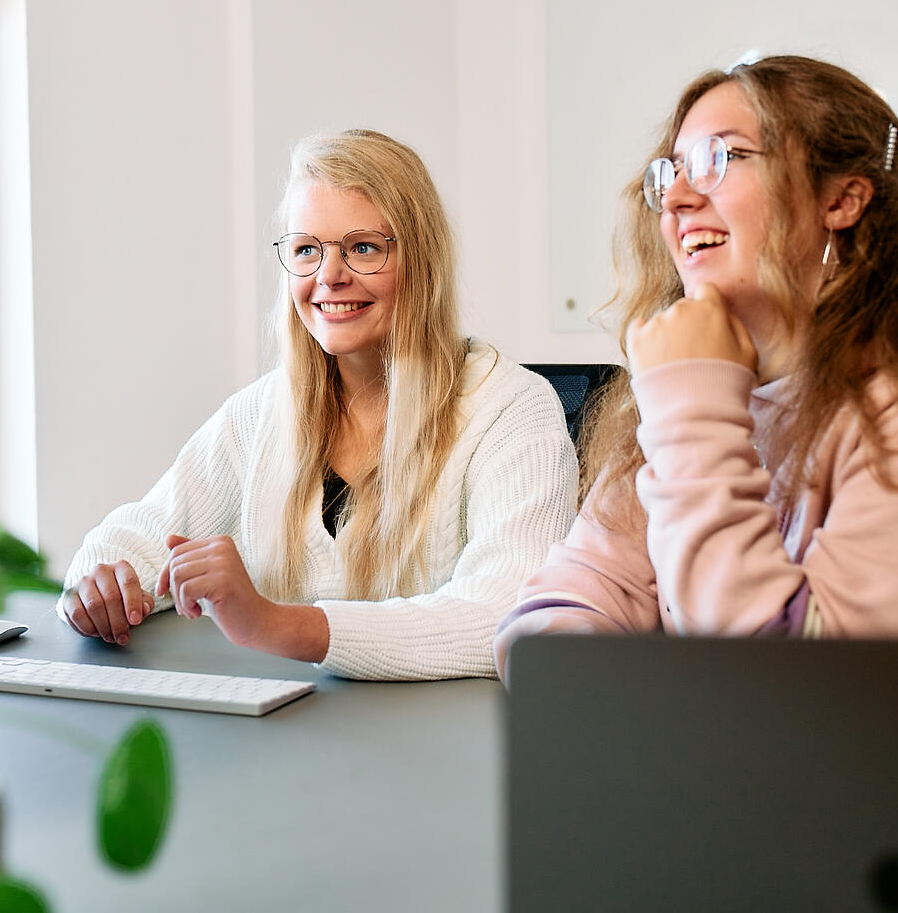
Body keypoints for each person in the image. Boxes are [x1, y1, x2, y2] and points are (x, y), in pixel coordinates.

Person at [495, 56, 898, 677]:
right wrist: (583, 692)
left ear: (842, 199)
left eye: (722, 158)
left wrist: (692, 411)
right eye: (672, 172)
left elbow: (812, 693)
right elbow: (568, 601)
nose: (677, 200)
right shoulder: (708, 386)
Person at [60, 129, 578, 680]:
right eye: (307, 249)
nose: (329, 276)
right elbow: (141, 534)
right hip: (289, 740)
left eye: (362, 247)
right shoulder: (258, 415)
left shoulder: (515, 411)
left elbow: (507, 616)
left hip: (445, 749)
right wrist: (101, 583)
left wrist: (279, 625)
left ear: (421, 261)